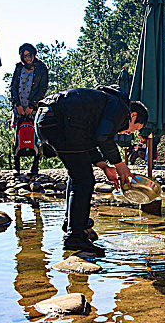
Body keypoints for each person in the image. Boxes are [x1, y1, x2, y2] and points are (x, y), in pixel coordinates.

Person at [35, 86, 148, 255]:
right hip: (57, 122)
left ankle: (73, 224)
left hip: (45, 119)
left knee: (77, 175)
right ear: (133, 116)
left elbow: (88, 140)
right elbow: (103, 137)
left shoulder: (107, 103)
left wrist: (104, 166)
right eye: (135, 128)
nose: (129, 133)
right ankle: (75, 238)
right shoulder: (120, 108)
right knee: (84, 179)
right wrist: (120, 165)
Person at [10, 43, 48, 175]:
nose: (27, 59)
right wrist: (17, 104)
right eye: (24, 56)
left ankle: (35, 165)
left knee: (37, 135)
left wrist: (32, 105)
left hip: (34, 107)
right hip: (19, 105)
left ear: (33, 55)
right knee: (17, 135)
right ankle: (16, 166)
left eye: (29, 55)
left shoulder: (42, 68)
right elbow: (13, 86)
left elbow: (42, 89)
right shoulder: (19, 67)